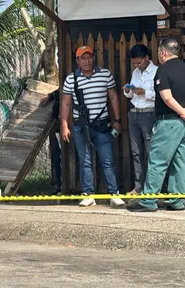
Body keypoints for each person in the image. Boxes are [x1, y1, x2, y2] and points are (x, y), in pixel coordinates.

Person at [60, 45, 125, 207]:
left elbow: (114, 98)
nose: (87, 61)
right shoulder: (71, 79)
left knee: (108, 160)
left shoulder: (105, 75)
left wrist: (117, 120)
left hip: (101, 124)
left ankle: (114, 193)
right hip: (80, 126)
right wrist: (64, 125)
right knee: (85, 161)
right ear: (77, 61)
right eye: (83, 58)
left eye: (89, 57)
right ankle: (88, 194)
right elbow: (66, 104)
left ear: (93, 58)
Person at [127, 38, 185, 212]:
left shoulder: (162, 71)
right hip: (182, 123)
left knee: (157, 160)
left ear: (163, 52)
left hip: (169, 121)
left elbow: (167, 98)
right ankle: (178, 199)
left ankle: (149, 200)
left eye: (159, 52)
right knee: (180, 161)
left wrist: (181, 111)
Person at [122, 44, 159, 195]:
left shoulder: (157, 71)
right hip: (134, 112)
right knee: (136, 152)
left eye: (139, 62)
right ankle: (138, 187)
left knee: (151, 152)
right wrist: (127, 91)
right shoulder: (136, 72)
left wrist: (146, 92)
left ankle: (152, 188)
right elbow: (132, 95)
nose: (137, 65)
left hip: (149, 113)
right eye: (135, 63)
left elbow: (163, 95)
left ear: (147, 58)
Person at [40, 89, 62, 195]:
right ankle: (60, 186)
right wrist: (50, 96)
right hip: (59, 128)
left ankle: (62, 186)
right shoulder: (62, 89)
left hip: (69, 127)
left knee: (63, 158)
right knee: (57, 156)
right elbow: (60, 91)